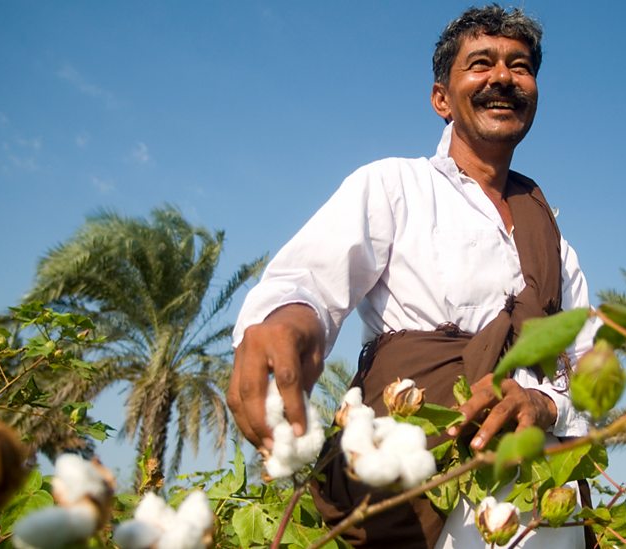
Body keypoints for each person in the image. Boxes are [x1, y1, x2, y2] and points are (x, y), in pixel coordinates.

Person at [229, 5, 598, 548]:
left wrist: (543, 404)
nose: (502, 77)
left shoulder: (556, 245)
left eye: (520, 66)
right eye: (481, 63)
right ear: (441, 99)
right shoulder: (392, 186)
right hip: (409, 486)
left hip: (539, 510)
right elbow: (308, 284)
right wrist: (286, 324)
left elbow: (589, 373)